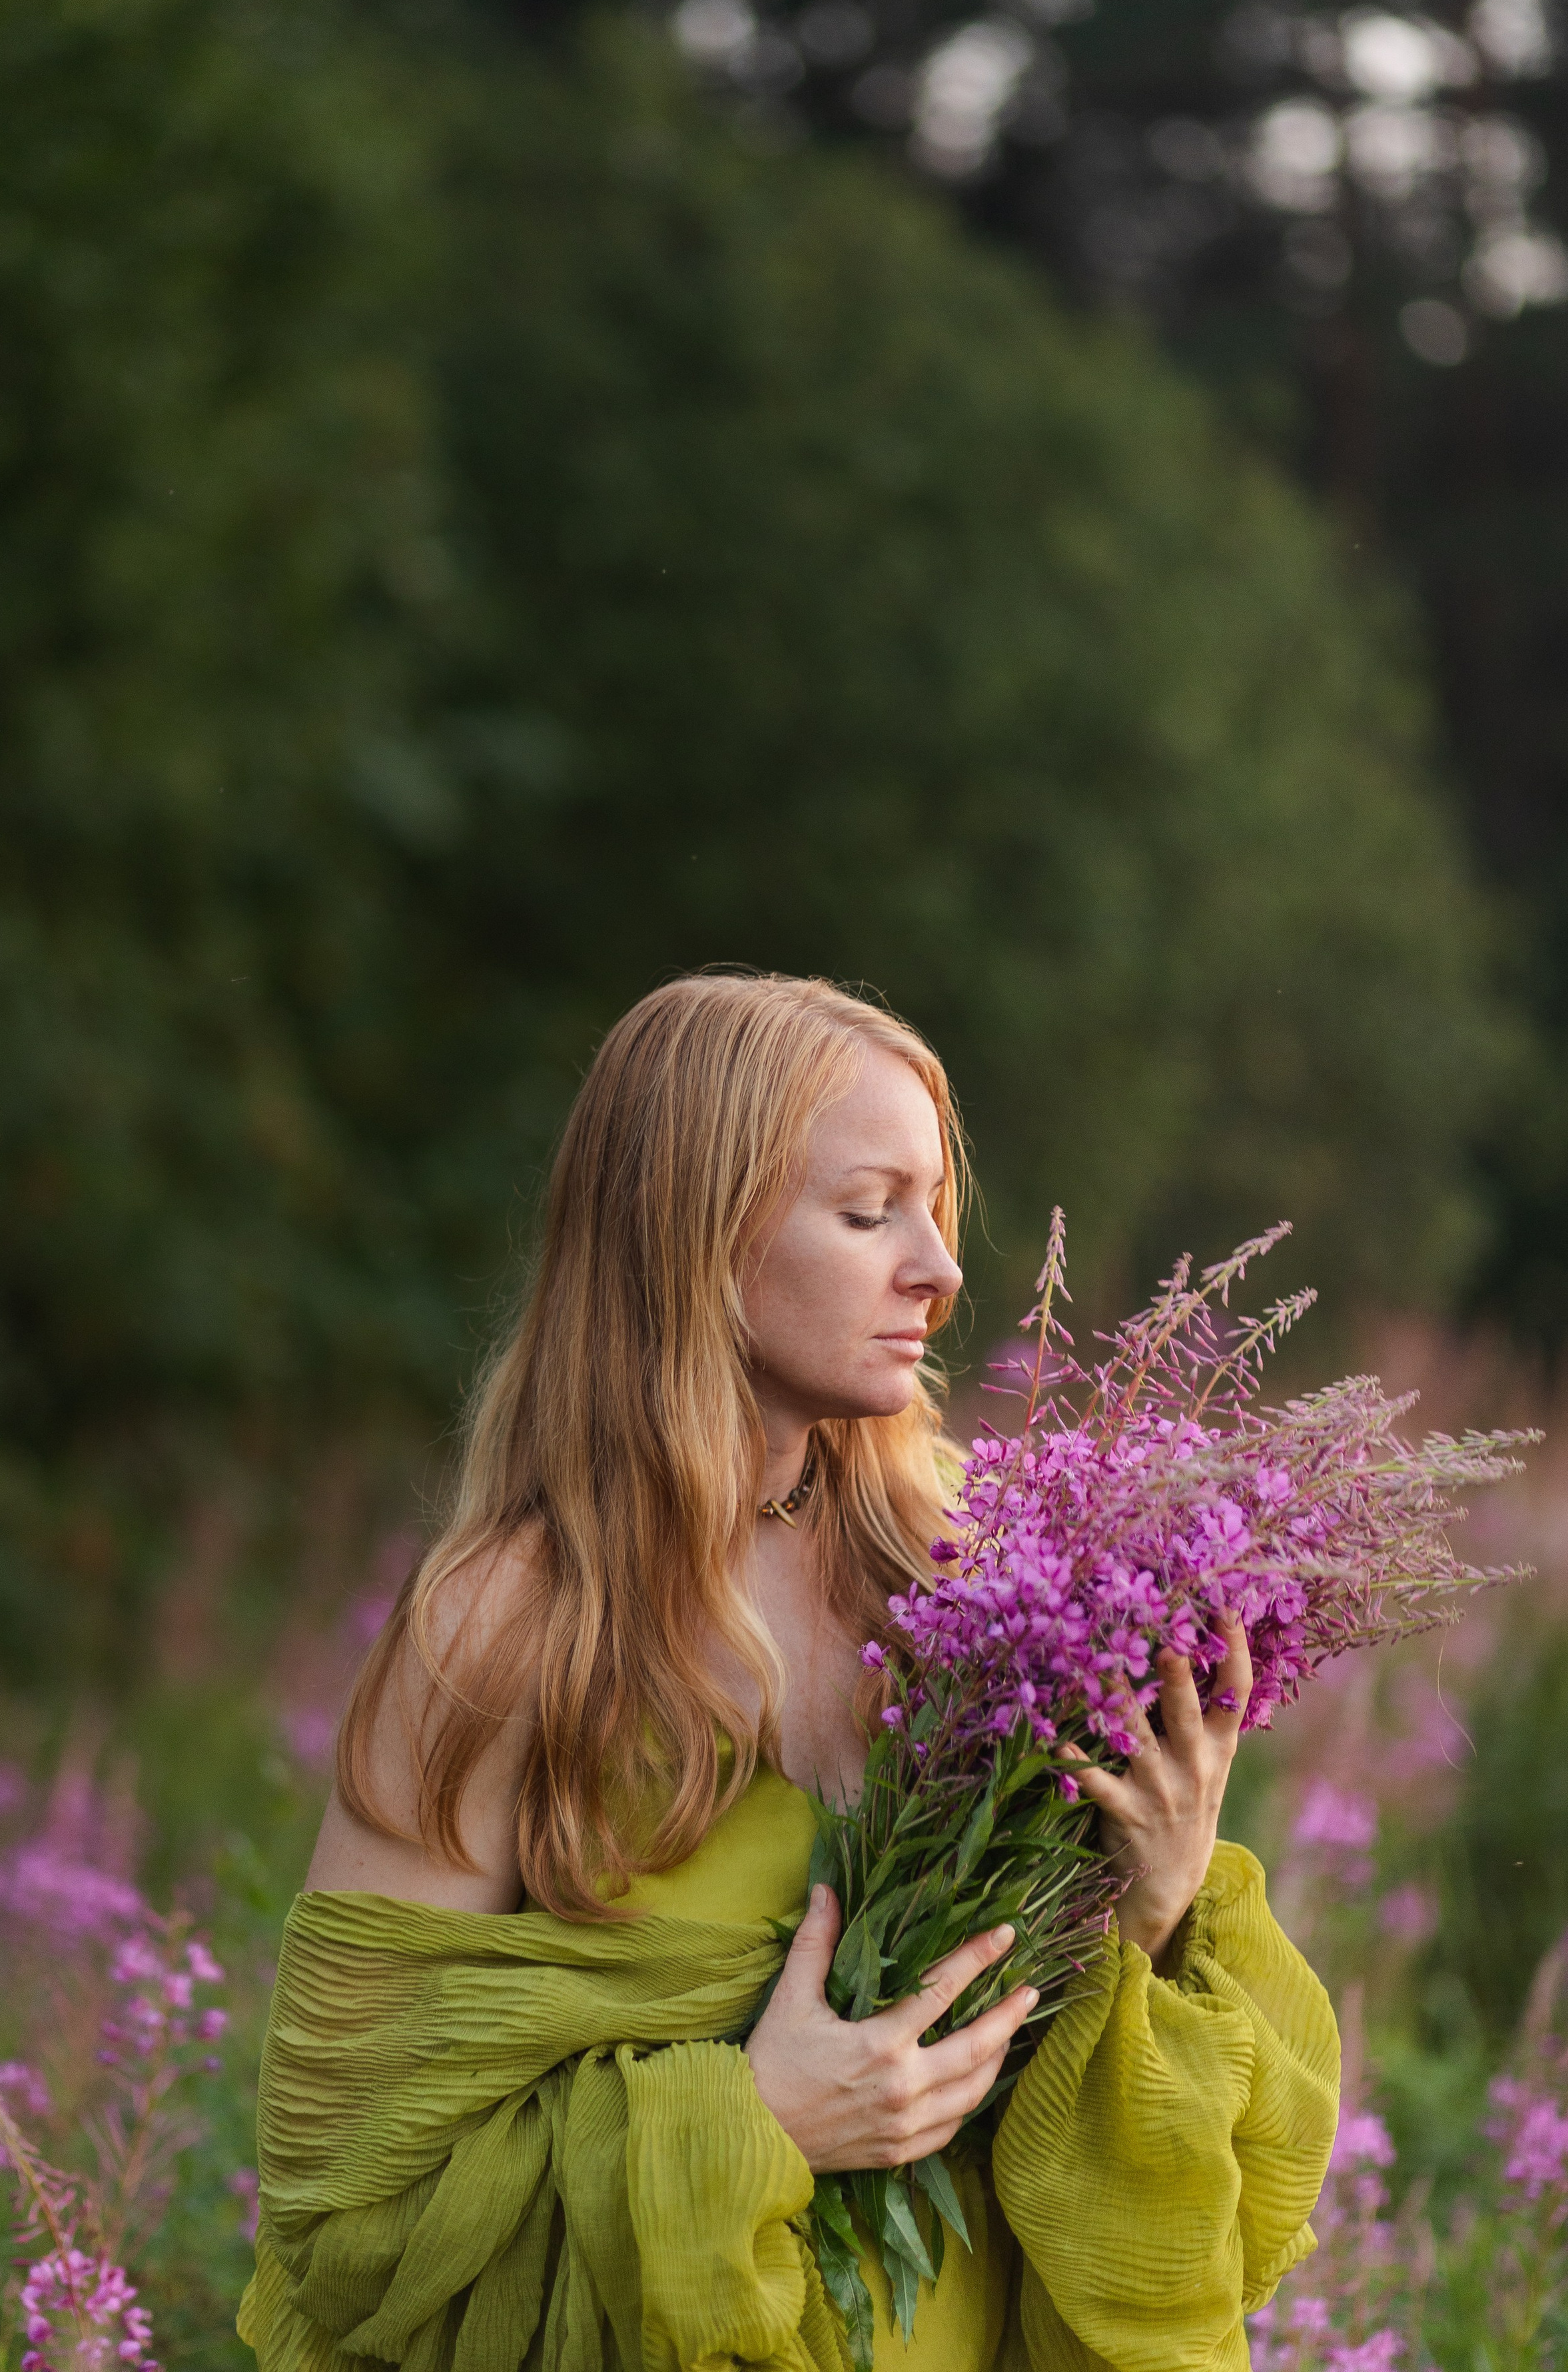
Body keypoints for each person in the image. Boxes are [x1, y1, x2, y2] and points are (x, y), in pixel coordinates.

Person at [240, 972, 1339, 2372]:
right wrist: (748, 2123)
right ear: (691, 1237)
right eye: (869, 1211)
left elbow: (1086, 2105)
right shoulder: (512, 1623)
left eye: (935, 1211)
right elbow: (351, 2204)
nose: (937, 1270)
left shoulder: (973, 1579)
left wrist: (1157, 1901)